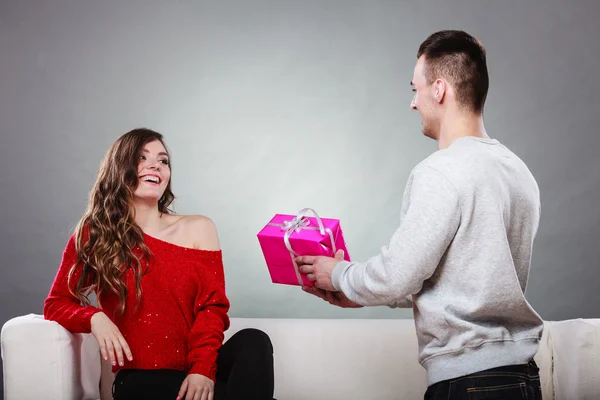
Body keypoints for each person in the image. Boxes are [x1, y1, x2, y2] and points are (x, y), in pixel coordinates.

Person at [297, 30, 544, 399]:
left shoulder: (440, 171)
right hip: (522, 379)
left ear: (439, 90)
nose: (413, 103)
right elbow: (461, 274)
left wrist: (340, 274)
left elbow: (398, 275)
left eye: (415, 89)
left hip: (467, 382)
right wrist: (358, 292)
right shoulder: (518, 171)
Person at [44, 128, 275, 400]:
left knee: (254, 340)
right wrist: (94, 317)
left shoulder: (199, 228)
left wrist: (202, 370)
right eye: (142, 158)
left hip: (194, 369)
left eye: (163, 160)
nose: (155, 165)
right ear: (120, 168)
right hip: (139, 379)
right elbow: (56, 303)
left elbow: (212, 308)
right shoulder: (95, 233)